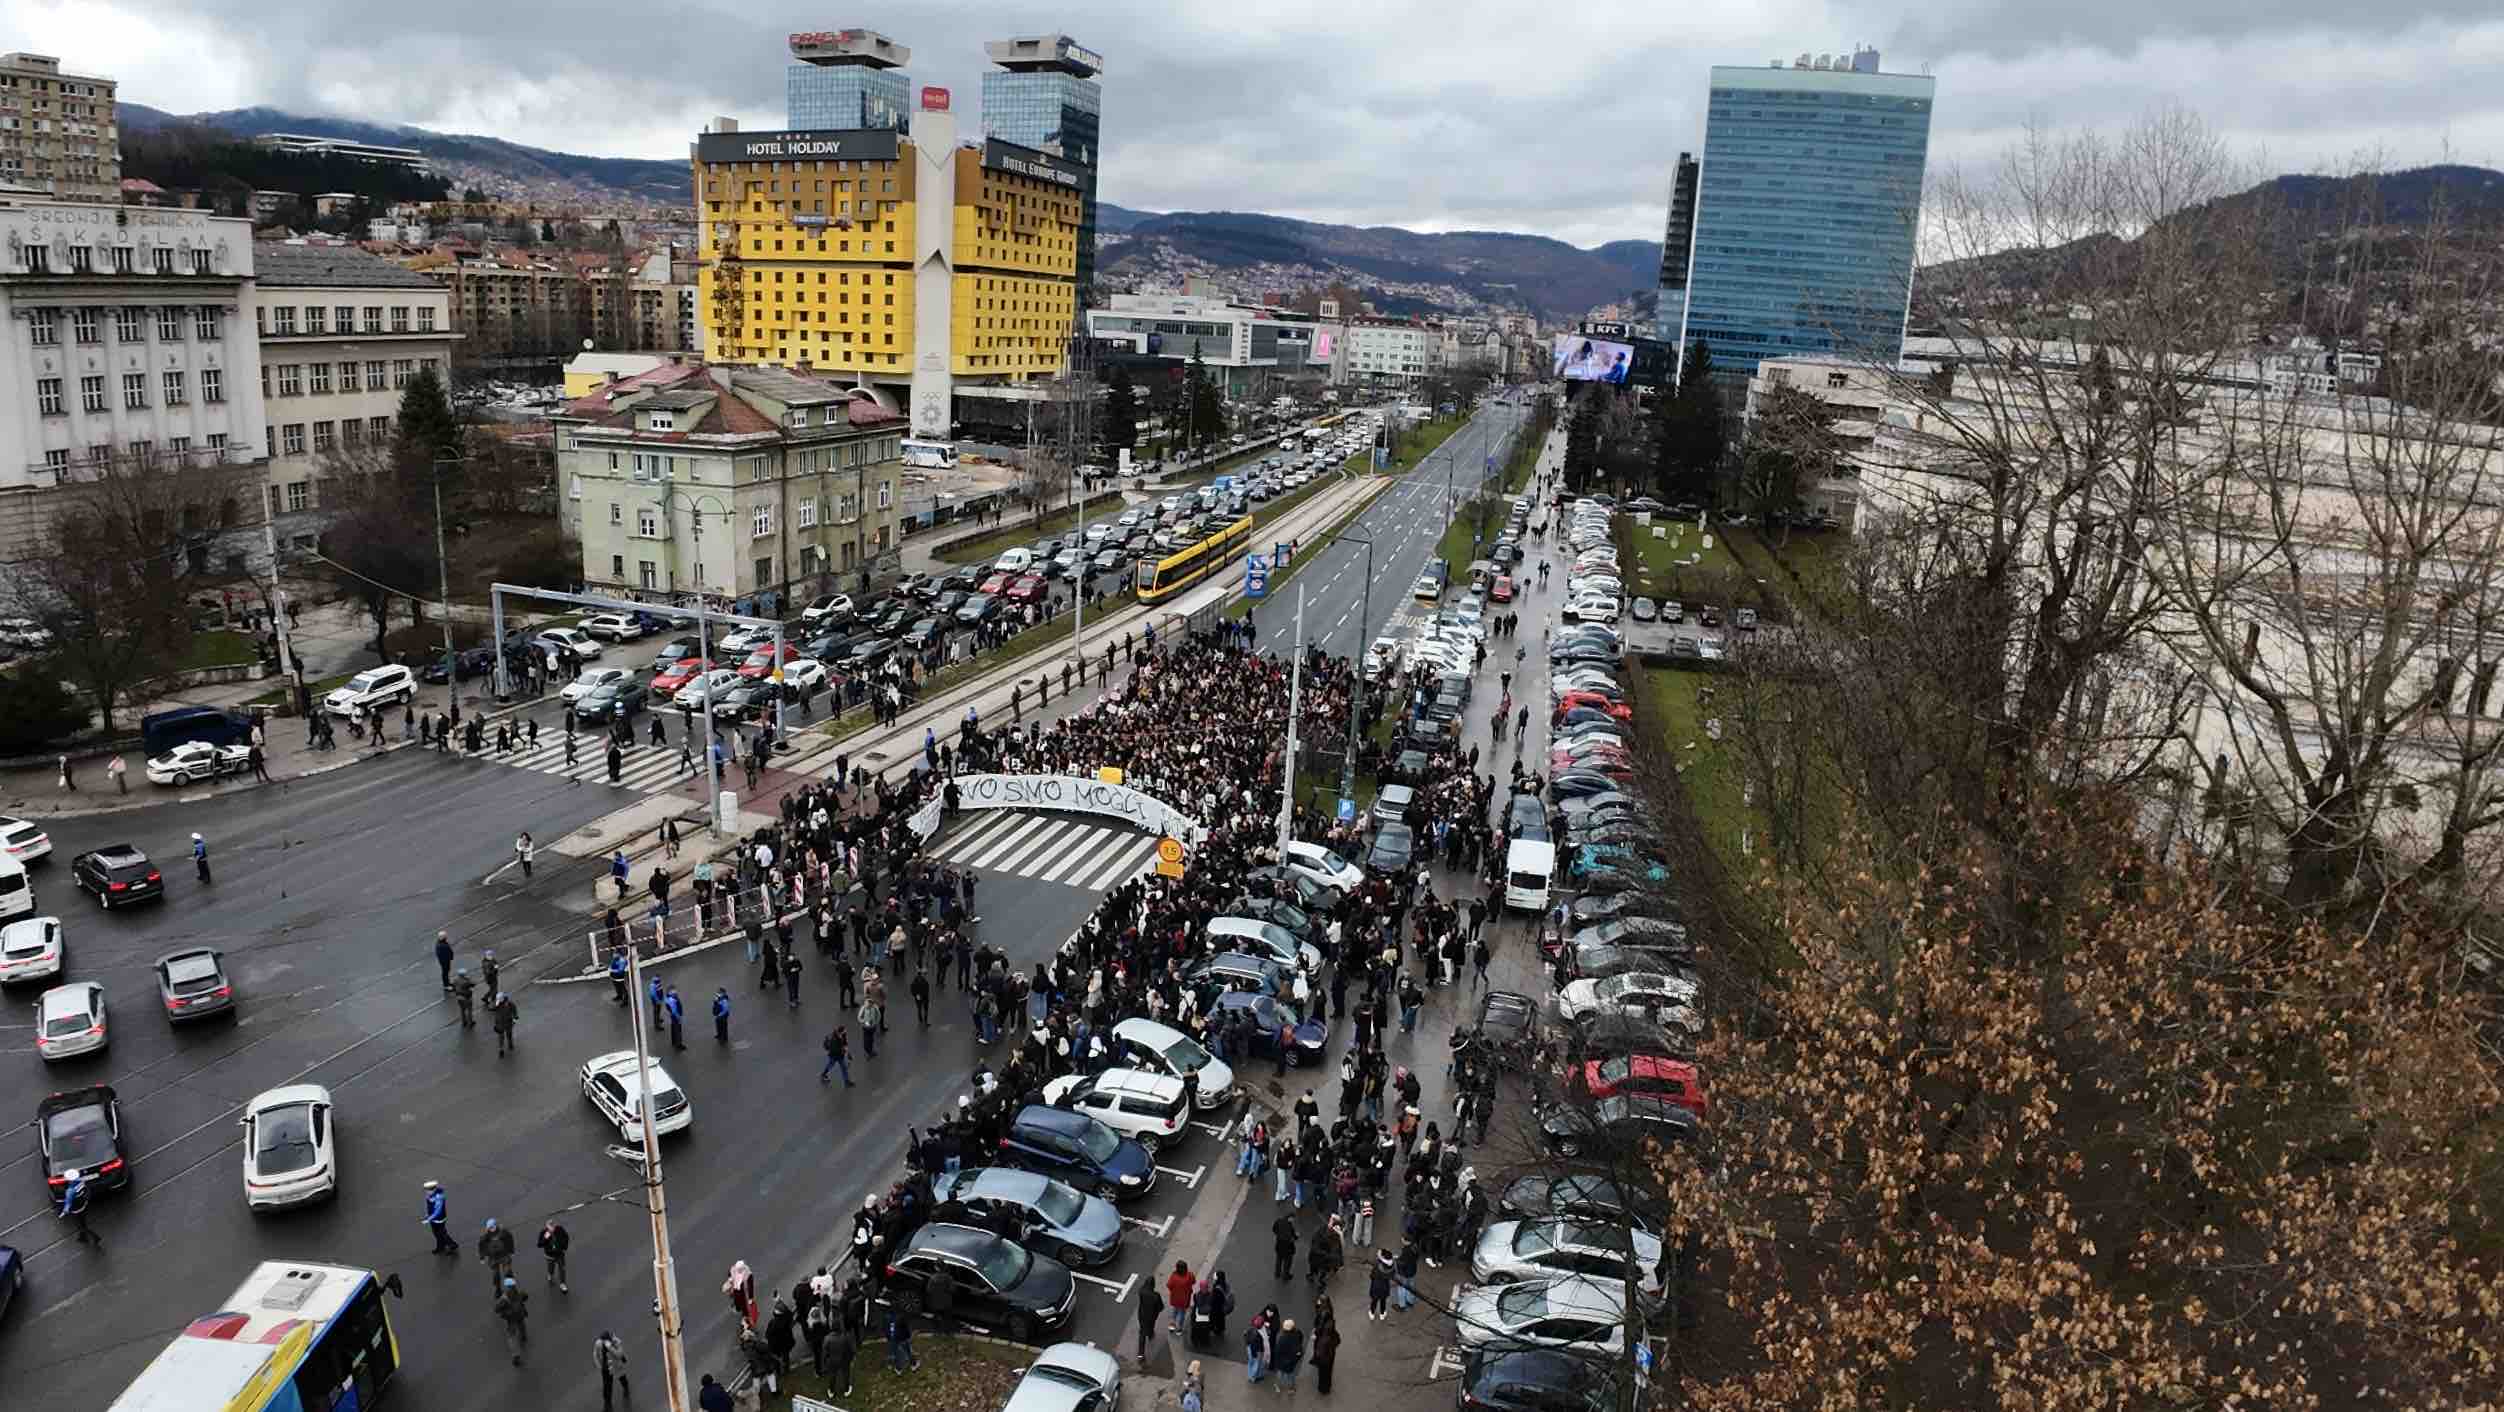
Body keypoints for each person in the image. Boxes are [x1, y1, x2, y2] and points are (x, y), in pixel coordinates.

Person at [495, 1277, 531, 1365]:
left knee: (511, 1336)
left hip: (511, 1318)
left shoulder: (504, 1298)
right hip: (520, 1313)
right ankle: (523, 1336)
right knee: (521, 1324)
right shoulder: (518, 1292)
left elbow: (496, 1309)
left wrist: (504, 1314)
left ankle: (516, 1355)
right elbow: (525, 1296)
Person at [479, 1217, 517, 1296]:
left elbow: (510, 1239)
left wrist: (511, 1250)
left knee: (507, 1272)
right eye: (490, 1228)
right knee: (495, 1275)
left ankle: (512, 1288)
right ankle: (498, 1289)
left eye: (493, 1227)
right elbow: (481, 1246)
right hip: (493, 1258)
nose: (492, 1229)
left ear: (496, 1225)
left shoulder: (503, 1232)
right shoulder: (485, 1236)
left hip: (504, 1255)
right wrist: (482, 1257)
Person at [593, 1330, 628, 1411]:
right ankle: (607, 1400)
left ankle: (624, 1387)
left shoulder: (611, 1343)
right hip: (607, 1367)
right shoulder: (600, 1343)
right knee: (608, 1384)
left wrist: (612, 1347)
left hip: (614, 1366)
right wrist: (599, 1366)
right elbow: (595, 1354)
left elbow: (619, 1354)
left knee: (619, 1378)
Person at [424, 1179, 458, 1253]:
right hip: (433, 1218)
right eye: (427, 1190)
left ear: (434, 1189)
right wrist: (428, 1214)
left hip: (439, 1218)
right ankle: (440, 1246)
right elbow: (429, 1206)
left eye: (429, 1190)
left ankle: (452, 1245)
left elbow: (438, 1211)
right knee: (436, 1233)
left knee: (442, 1233)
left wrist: (429, 1218)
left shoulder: (439, 1197)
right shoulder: (429, 1195)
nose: (427, 1192)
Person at [1274, 1317, 1305, 1393]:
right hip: (1291, 1361)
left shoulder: (1282, 1339)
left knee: (1280, 1373)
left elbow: (1277, 1351)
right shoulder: (1298, 1333)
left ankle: (1278, 1386)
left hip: (1282, 1361)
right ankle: (1291, 1389)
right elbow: (1300, 1343)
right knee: (1290, 1375)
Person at [538, 1218, 570, 1291]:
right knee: (551, 1268)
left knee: (562, 1269)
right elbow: (539, 1244)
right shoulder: (543, 1232)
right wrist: (545, 1238)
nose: (552, 1229)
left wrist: (564, 1248)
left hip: (560, 1254)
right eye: (550, 1227)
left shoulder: (560, 1229)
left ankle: (562, 1284)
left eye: (553, 1226)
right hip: (550, 1255)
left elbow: (566, 1237)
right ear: (547, 1227)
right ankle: (550, 1274)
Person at [1135, 1277, 1163, 1361]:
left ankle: (1141, 1353)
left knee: (1142, 1331)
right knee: (1150, 1327)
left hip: (1142, 1314)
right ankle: (1150, 1335)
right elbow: (1160, 1307)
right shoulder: (1156, 1295)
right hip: (1151, 1316)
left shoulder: (1141, 1291)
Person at [1165, 1260, 1195, 1335]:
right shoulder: (1190, 1275)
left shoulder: (1174, 1276)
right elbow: (1193, 1281)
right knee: (1182, 1314)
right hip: (1185, 1299)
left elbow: (1169, 1285)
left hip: (1175, 1298)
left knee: (1174, 1312)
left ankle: (1172, 1326)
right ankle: (1179, 1329)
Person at [490, 991, 518, 1056]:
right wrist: (495, 1004)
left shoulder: (509, 1003)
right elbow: (491, 1008)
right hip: (500, 1023)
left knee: (509, 1034)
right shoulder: (497, 1004)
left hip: (508, 1022)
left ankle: (510, 1044)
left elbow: (514, 1010)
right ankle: (501, 1049)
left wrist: (515, 1017)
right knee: (501, 1037)